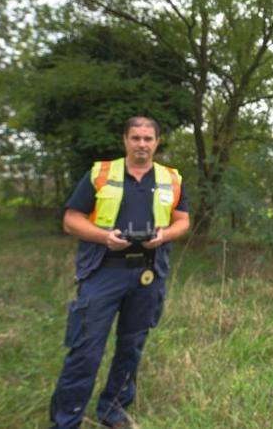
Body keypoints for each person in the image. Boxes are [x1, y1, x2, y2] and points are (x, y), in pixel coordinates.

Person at [49, 116, 190, 428]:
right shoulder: (100, 173)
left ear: (157, 141)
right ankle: (66, 419)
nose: (142, 144)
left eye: (148, 139)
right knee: (86, 347)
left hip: (148, 274)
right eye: (136, 138)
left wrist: (164, 235)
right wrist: (104, 237)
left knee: (131, 345)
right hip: (103, 272)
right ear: (125, 140)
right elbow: (71, 219)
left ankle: (112, 409)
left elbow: (183, 220)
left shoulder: (171, 178)